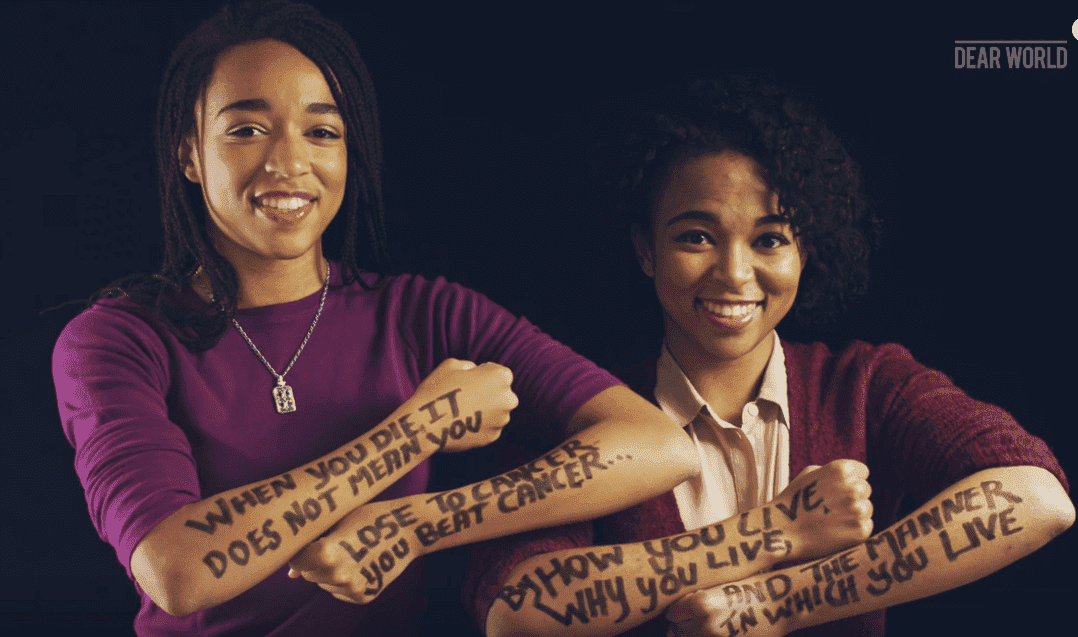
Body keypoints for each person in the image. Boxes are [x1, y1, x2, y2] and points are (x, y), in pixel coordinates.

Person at [51, 2, 702, 635]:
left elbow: (656, 445)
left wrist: (417, 523)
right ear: (188, 152)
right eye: (247, 129)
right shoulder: (116, 339)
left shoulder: (420, 313)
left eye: (321, 130)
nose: (288, 162)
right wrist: (417, 430)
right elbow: (175, 569)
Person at [464, 78, 1074, 636]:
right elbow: (514, 611)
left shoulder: (866, 386)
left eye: (770, 239)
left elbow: (1037, 496)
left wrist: (781, 602)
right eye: (696, 236)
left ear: (807, 252)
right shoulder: (582, 411)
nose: (734, 273)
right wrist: (773, 535)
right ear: (645, 248)